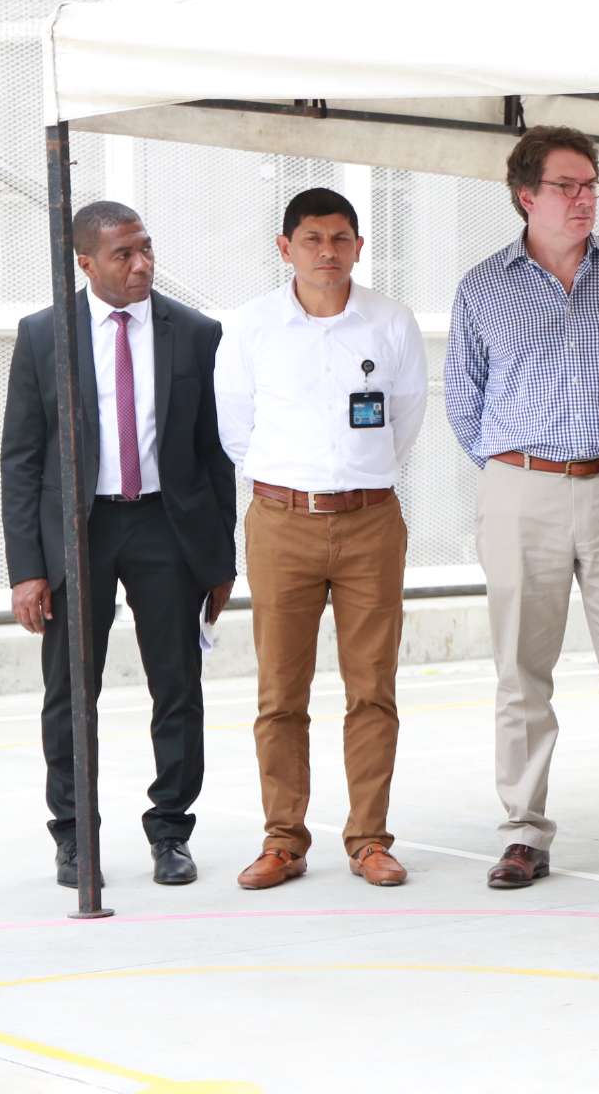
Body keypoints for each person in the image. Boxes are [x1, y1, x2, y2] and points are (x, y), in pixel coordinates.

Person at [445, 125, 599, 890]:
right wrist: (520, 471)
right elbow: (464, 402)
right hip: (522, 491)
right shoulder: (483, 287)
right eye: (567, 186)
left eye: (591, 185)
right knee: (521, 674)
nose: (584, 199)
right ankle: (523, 834)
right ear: (526, 196)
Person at [1, 200, 236, 887]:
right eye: (123, 255)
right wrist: (27, 568)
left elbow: (215, 453)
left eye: (146, 249)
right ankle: (75, 838)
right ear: (85, 263)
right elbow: (21, 459)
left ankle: (171, 832)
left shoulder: (196, 332)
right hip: (79, 531)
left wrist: (219, 559)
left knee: (178, 687)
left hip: (168, 526)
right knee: (70, 690)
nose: (142, 265)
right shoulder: (44, 334)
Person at [215, 188, 428, 890]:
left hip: (371, 521)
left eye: (340, 239)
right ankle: (283, 840)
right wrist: (295, 484)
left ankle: (369, 840)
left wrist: (354, 479)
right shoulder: (251, 326)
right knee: (281, 690)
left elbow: (404, 418)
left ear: (359, 247)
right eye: (312, 239)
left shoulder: (391, 322)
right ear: (286, 248)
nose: (327, 252)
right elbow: (236, 428)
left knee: (373, 689)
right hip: (282, 522)